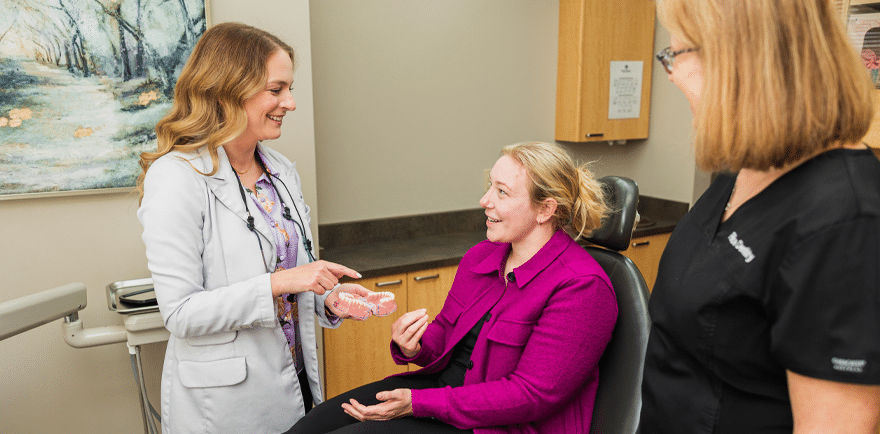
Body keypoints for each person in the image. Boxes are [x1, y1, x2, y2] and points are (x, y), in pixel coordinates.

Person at [641, 0, 880, 432]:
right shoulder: (742, 170)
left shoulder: (846, 221)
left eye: (678, 55)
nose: (672, 75)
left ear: (740, 59)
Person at [137, 22, 373, 433]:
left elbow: (292, 275)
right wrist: (282, 281)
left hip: (294, 377)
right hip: (227, 401)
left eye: (290, 89)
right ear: (229, 89)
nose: (291, 103)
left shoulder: (279, 171)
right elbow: (180, 313)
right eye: (276, 89)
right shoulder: (177, 176)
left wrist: (328, 298)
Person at [288, 141, 619, 434]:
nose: (484, 200)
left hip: (502, 424)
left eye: (502, 192)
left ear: (546, 209)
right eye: (490, 186)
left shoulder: (582, 287)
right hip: (441, 395)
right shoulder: (482, 257)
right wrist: (413, 348)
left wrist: (418, 404)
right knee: (315, 425)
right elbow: (445, 335)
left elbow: (531, 395)